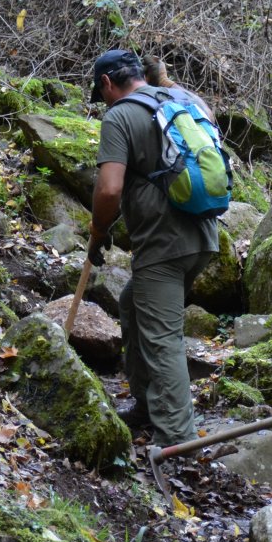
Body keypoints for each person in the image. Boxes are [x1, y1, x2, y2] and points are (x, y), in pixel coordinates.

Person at [88, 48, 219, 446]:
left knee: (163, 338)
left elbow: (110, 188)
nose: (104, 101)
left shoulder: (120, 115)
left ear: (108, 83)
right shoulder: (186, 101)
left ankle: (178, 440)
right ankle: (146, 405)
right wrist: (165, 81)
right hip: (203, 237)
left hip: (164, 242)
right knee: (132, 303)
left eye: (102, 92)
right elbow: (209, 125)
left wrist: (97, 232)